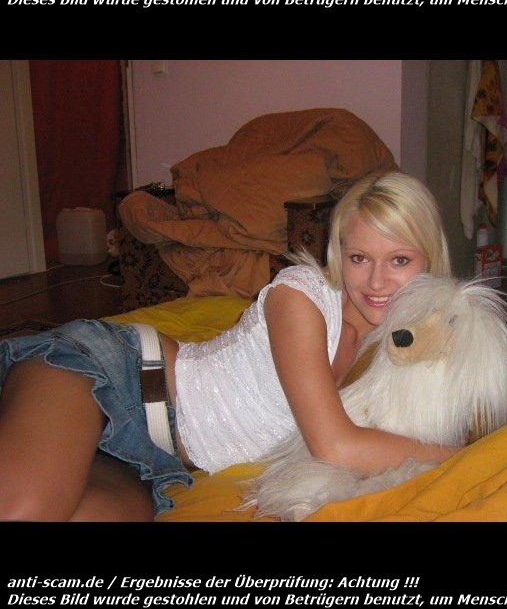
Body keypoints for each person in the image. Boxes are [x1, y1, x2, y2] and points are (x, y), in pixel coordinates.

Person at [0, 170, 458, 522]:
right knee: (22, 513)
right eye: (359, 258)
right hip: (114, 375)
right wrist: (458, 458)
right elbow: (334, 445)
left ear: (429, 260)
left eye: (399, 260)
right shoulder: (301, 298)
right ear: (339, 254)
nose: (376, 281)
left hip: (153, 460)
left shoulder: (402, 341)